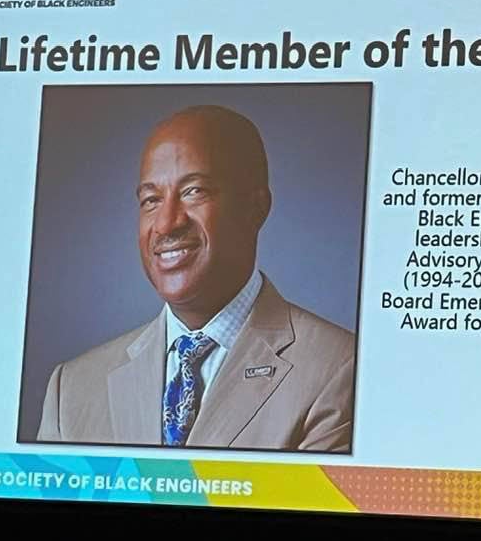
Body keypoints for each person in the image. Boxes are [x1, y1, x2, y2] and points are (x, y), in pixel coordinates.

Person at [37, 105, 355, 452]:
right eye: (151, 199)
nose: (167, 223)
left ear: (256, 207)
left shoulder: (338, 369)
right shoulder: (71, 389)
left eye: (194, 191)